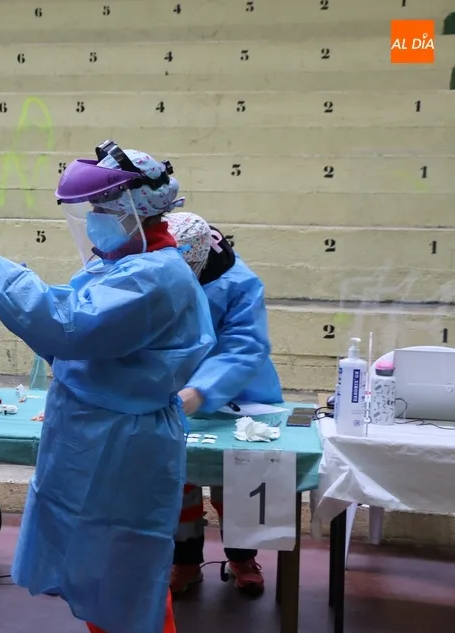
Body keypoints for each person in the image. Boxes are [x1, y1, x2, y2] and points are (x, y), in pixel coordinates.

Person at [0, 141, 216, 633]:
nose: (95, 220)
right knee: (97, 568)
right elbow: (77, 340)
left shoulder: (154, 277)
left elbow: (68, 326)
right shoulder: (119, 263)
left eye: (104, 210)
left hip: (122, 443)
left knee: (123, 580)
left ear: (134, 212)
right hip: (94, 433)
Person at [166, 211, 284, 597]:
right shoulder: (157, 269)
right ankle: (184, 561)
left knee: (238, 481)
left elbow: (244, 346)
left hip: (241, 394)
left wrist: (201, 390)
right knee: (177, 481)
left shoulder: (239, 282)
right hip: (175, 391)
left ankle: (243, 558)